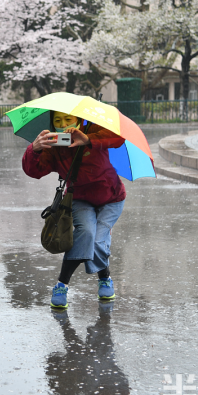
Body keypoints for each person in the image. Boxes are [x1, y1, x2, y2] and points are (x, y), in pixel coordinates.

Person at [22, 111, 126, 308]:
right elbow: (34, 171)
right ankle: (62, 286)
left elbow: (118, 137)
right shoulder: (53, 144)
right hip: (79, 198)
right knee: (86, 233)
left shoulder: (93, 128)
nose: (63, 125)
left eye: (68, 120)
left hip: (111, 198)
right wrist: (34, 150)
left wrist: (87, 139)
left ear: (79, 120)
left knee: (96, 240)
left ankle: (104, 279)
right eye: (57, 121)